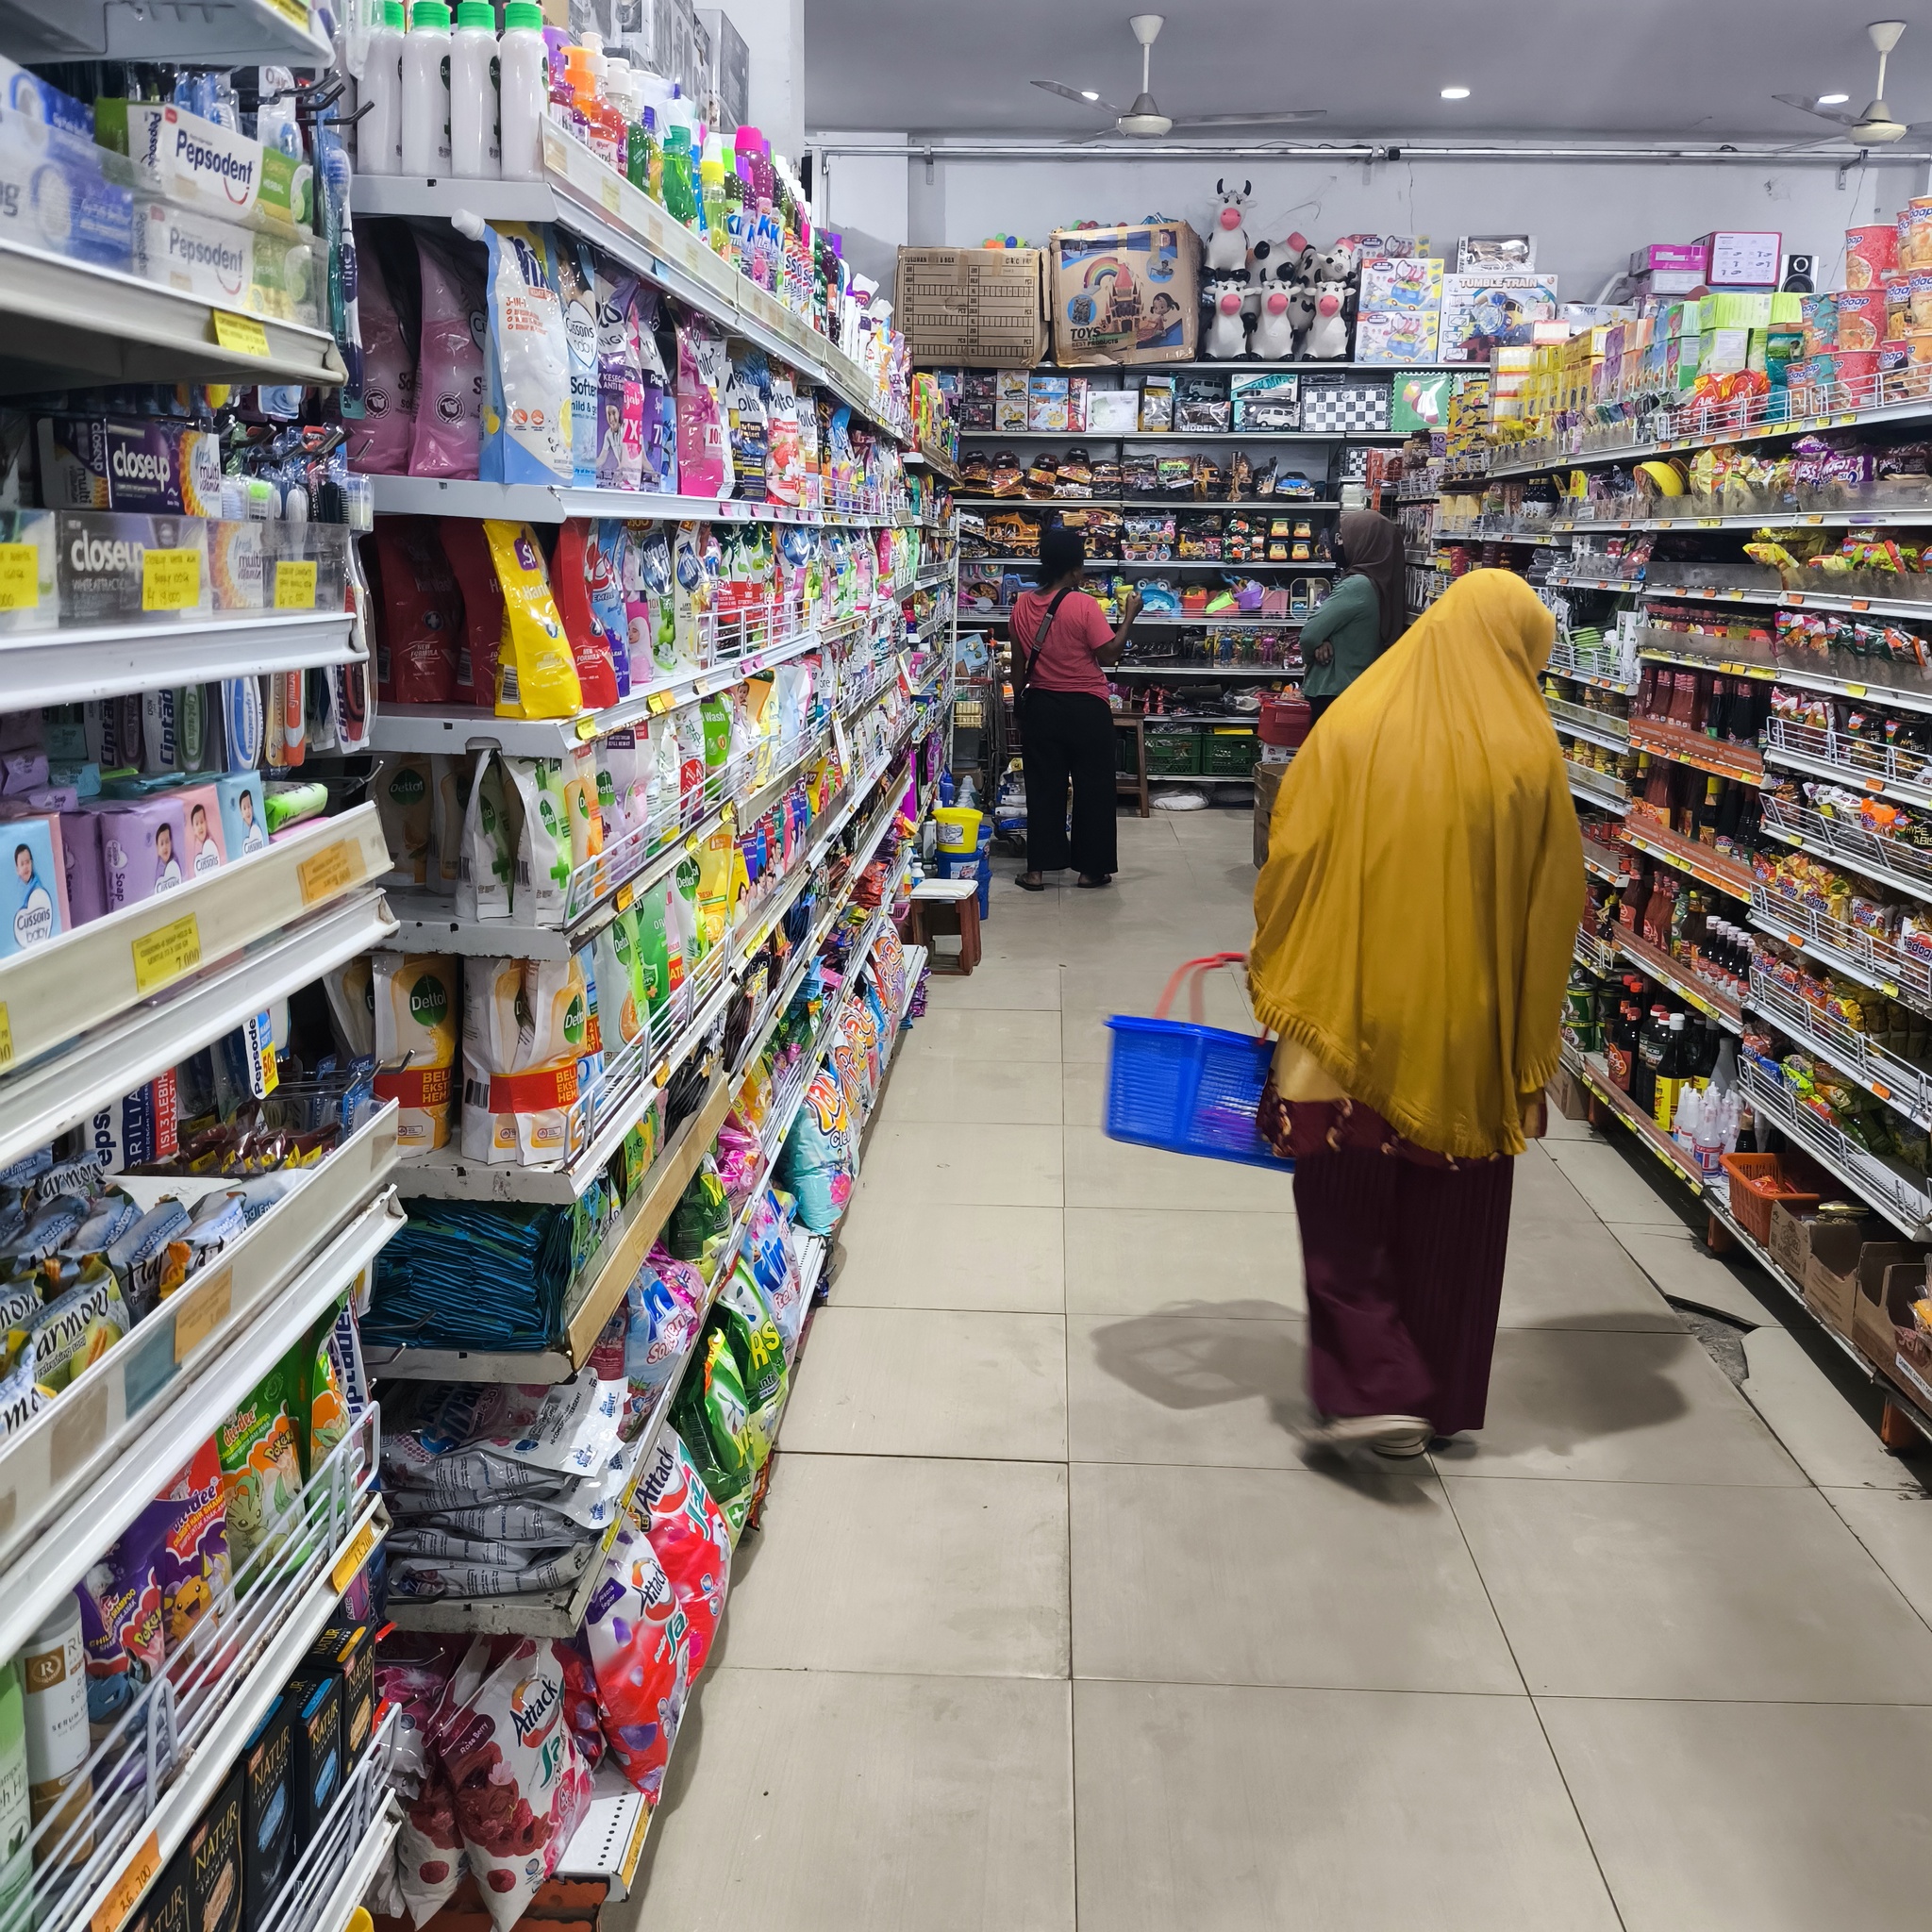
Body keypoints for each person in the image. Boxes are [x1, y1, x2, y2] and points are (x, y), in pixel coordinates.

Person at [1247, 571, 1584, 1457]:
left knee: (1343, 1209)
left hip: (1343, 1018)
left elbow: (1289, 855)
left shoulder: (1355, 722)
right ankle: (1433, 1395)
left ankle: (1373, 1382)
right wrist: (1530, 1048)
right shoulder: (1529, 753)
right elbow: (1555, 912)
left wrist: (1289, 951)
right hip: (1465, 1040)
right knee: (1453, 1225)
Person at [1011, 524, 1141, 891]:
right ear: (1073, 569)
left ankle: (1037, 871)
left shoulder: (1021, 605)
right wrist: (1130, 616)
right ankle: (1090, 870)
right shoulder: (1084, 605)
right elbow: (1109, 654)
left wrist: (1021, 706)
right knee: (1094, 789)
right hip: (1086, 710)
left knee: (1043, 789)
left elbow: (1018, 666)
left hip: (1042, 707)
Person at [1296, 508, 1405, 724]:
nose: (1338, 544)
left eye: (1344, 538)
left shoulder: (1357, 586)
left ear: (1365, 543)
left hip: (1333, 689)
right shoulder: (1384, 582)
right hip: (1360, 688)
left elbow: (1309, 635)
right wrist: (1325, 640)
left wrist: (1313, 651)